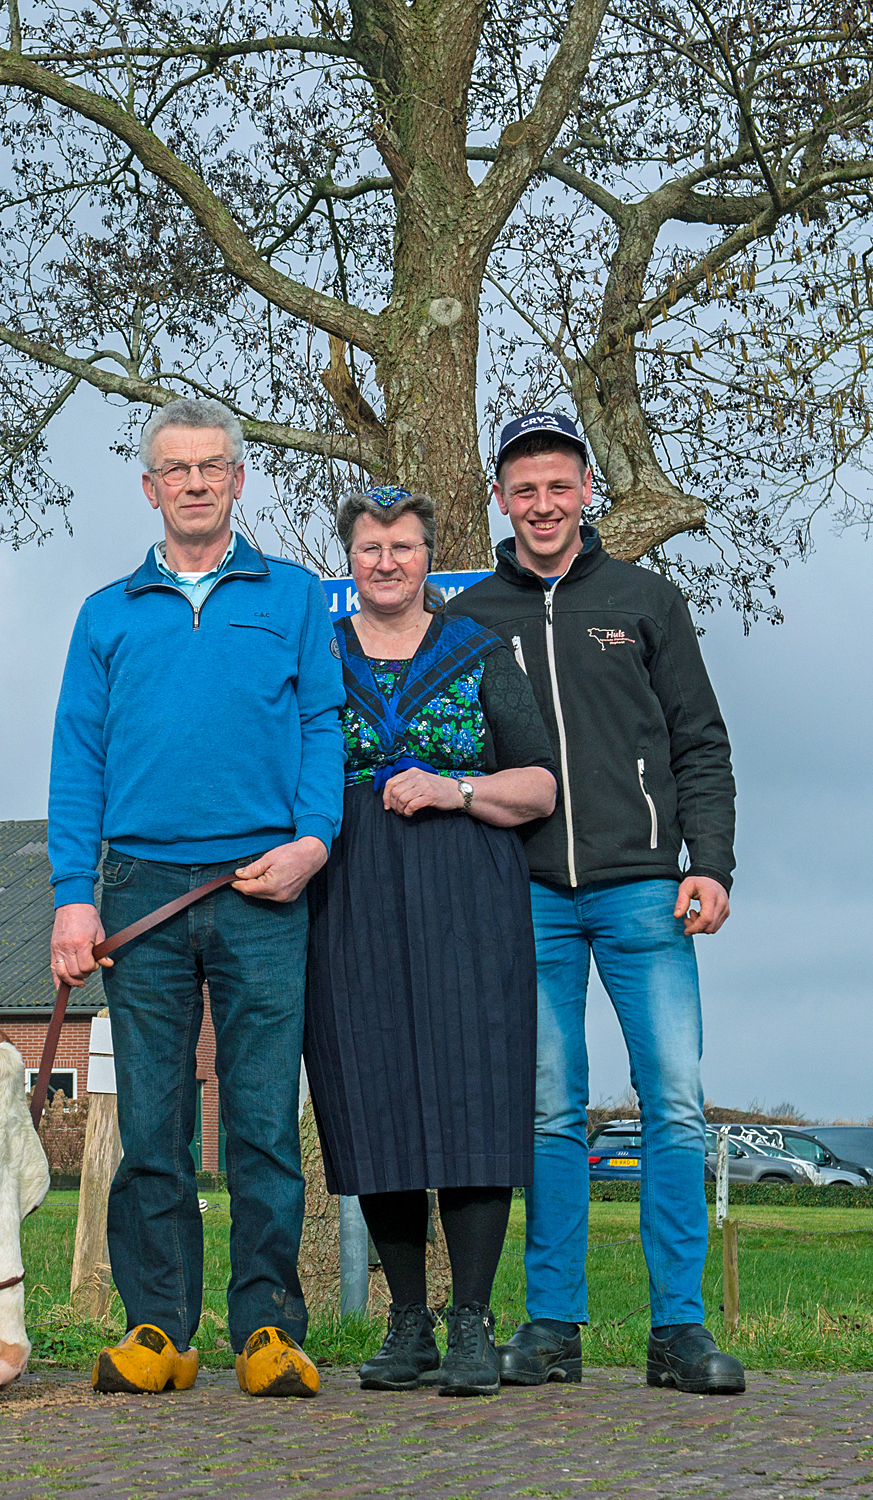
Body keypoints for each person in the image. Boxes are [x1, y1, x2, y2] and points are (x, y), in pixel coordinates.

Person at [48, 397, 343, 1398]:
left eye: (212, 466)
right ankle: (159, 1331)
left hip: (264, 884)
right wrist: (71, 898)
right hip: (140, 892)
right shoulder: (104, 613)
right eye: (176, 469)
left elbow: (321, 730)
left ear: (239, 479)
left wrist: (313, 843)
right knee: (153, 1125)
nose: (195, 482)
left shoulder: (296, 598)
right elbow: (77, 761)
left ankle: (266, 1331)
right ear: (150, 487)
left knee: (262, 1119)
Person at [451, 412, 745, 1396]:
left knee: (672, 1103)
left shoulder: (646, 600)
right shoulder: (470, 618)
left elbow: (700, 740)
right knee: (548, 1114)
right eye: (524, 489)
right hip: (521, 897)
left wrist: (711, 865)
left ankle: (679, 1332)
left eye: (559, 486)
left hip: (644, 894)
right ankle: (552, 1328)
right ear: (502, 499)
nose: (542, 505)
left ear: (587, 492)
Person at [302, 486, 557, 1398]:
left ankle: (473, 1325)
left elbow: (538, 787)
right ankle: (405, 1324)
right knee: (376, 1096)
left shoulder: (479, 652)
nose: (386, 562)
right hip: (350, 897)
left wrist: (453, 788)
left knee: (472, 1097)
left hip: (467, 895)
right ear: (351, 560)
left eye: (403, 546)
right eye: (369, 548)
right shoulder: (317, 656)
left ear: (426, 556)